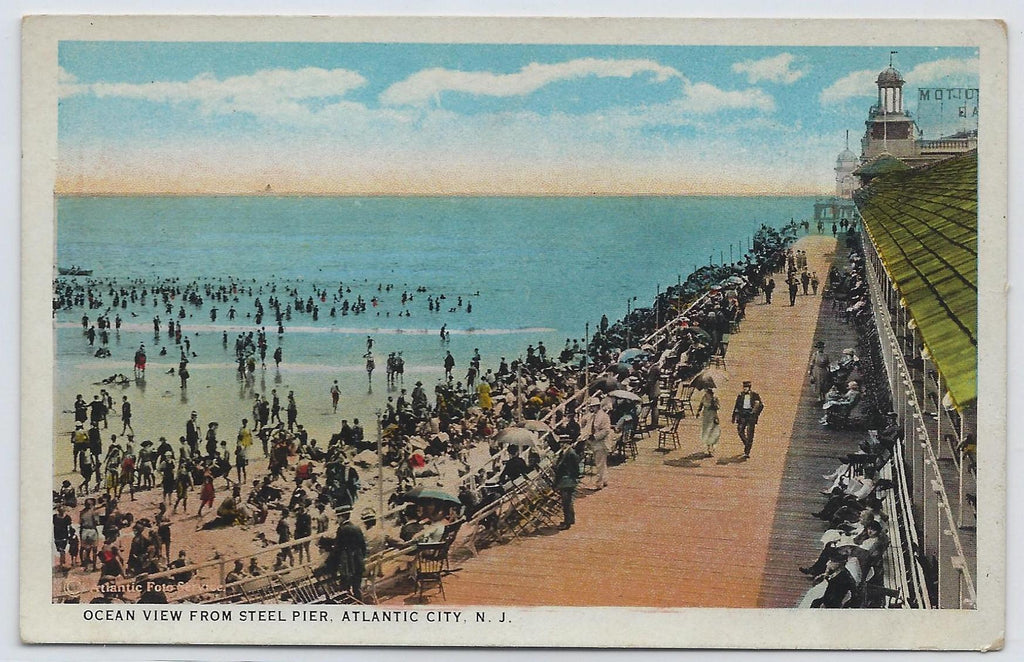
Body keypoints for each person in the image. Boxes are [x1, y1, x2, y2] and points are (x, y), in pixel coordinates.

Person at [583, 397, 612, 489]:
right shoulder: (592, 416)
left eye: (593, 407)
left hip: (601, 442)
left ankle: (599, 483)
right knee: (601, 462)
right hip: (594, 443)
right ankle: (604, 480)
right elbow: (585, 425)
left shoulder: (604, 416)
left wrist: (595, 436)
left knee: (600, 463)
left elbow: (606, 430)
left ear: (597, 406)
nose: (592, 408)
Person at [731, 381, 764, 459]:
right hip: (742, 415)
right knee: (740, 431)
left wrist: (756, 414)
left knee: (750, 434)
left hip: (751, 416)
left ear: (749, 388)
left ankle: (747, 451)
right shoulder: (740, 395)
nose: (744, 389)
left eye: (746, 387)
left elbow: (761, 406)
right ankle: (747, 444)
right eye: (744, 387)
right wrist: (734, 417)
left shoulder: (755, 395)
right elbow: (736, 406)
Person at [554, 439, 582, 530]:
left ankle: (567, 522)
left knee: (566, 502)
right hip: (565, 479)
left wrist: (572, 477)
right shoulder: (565, 452)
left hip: (567, 480)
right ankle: (570, 519)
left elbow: (575, 469)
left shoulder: (571, 454)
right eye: (561, 443)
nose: (562, 445)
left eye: (564, 443)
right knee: (568, 501)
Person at [696, 387, 721, 457]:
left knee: (712, 431)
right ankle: (708, 447)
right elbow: (701, 405)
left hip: (712, 416)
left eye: (706, 391)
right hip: (706, 416)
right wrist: (698, 412)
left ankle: (712, 446)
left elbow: (718, 407)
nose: (705, 392)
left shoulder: (714, 398)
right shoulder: (704, 397)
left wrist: (714, 404)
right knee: (706, 431)